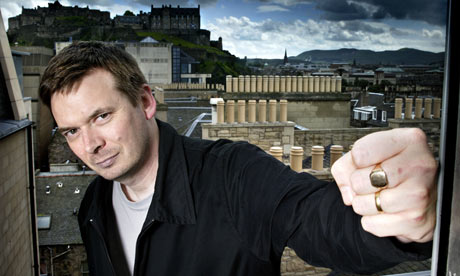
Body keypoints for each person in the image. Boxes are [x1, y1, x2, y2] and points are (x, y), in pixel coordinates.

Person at [39, 41, 437, 276]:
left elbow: (317, 219)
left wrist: (400, 215)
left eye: (102, 116)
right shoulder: (92, 205)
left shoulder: (233, 174)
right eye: (72, 130)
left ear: (145, 101)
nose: (89, 145)